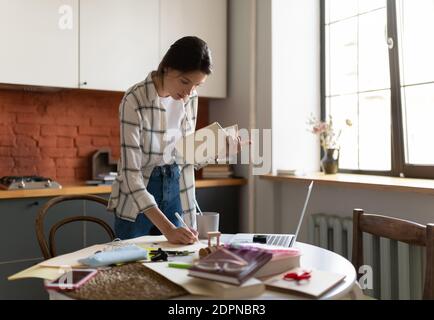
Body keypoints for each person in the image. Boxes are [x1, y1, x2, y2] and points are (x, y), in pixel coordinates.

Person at [107, 36, 213, 244]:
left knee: (176, 265)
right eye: (185, 82)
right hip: (140, 195)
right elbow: (131, 177)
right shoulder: (134, 99)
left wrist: (219, 150)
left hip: (176, 188)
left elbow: (186, 157)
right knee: (132, 269)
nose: (188, 92)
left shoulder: (190, 98)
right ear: (167, 67)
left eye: (197, 85)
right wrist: (168, 229)